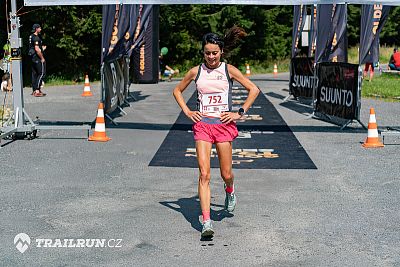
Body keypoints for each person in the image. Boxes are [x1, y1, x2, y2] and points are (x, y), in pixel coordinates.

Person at [173, 26, 260, 238]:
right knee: (204, 173)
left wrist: (238, 112)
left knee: (226, 173)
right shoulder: (196, 72)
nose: (211, 57)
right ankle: (207, 221)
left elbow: (254, 89)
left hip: (223, 126)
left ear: (221, 51)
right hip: (203, 124)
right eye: (207, 53)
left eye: (214, 53)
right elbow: (177, 90)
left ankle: (229, 191)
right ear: (203, 53)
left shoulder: (229, 70)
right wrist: (187, 111)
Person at [28, 23, 47, 97]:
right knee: (41, 73)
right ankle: (37, 91)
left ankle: (34, 90)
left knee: (34, 74)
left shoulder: (31, 36)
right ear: (36, 29)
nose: (41, 29)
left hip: (32, 57)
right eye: (39, 28)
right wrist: (42, 58)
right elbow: (36, 49)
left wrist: (42, 48)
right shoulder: (36, 37)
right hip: (37, 57)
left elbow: (34, 47)